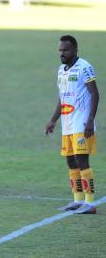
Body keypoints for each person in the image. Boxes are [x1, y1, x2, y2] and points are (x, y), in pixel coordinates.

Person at [45, 35, 99, 214]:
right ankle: (77, 200)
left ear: (75, 50)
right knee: (70, 161)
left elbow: (94, 94)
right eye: (60, 50)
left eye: (65, 50)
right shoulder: (61, 70)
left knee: (81, 160)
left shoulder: (85, 67)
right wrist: (53, 120)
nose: (62, 53)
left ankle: (90, 203)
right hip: (67, 124)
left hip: (82, 122)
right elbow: (62, 97)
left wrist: (90, 119)